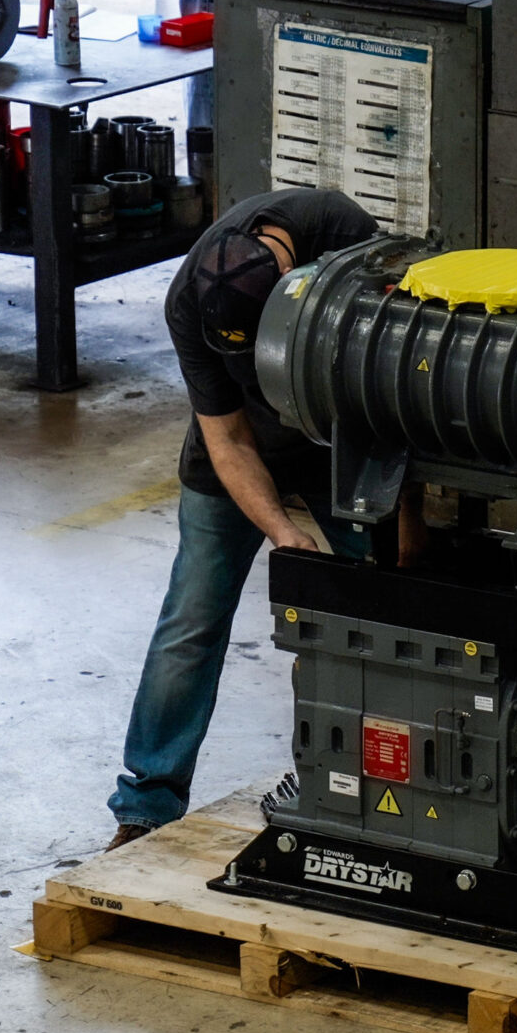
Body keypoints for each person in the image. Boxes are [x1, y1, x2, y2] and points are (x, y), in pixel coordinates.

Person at [108, 187, 380, 850]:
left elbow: (386, 394)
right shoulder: (186, 300)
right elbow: (227, 441)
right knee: (192, 615)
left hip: (339, 437)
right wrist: (283, 534)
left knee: (379, 610)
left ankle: (351, 790)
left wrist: (400, 532)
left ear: (291, 291)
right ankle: (146, 804)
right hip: (239, 447)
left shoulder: (345, 238)